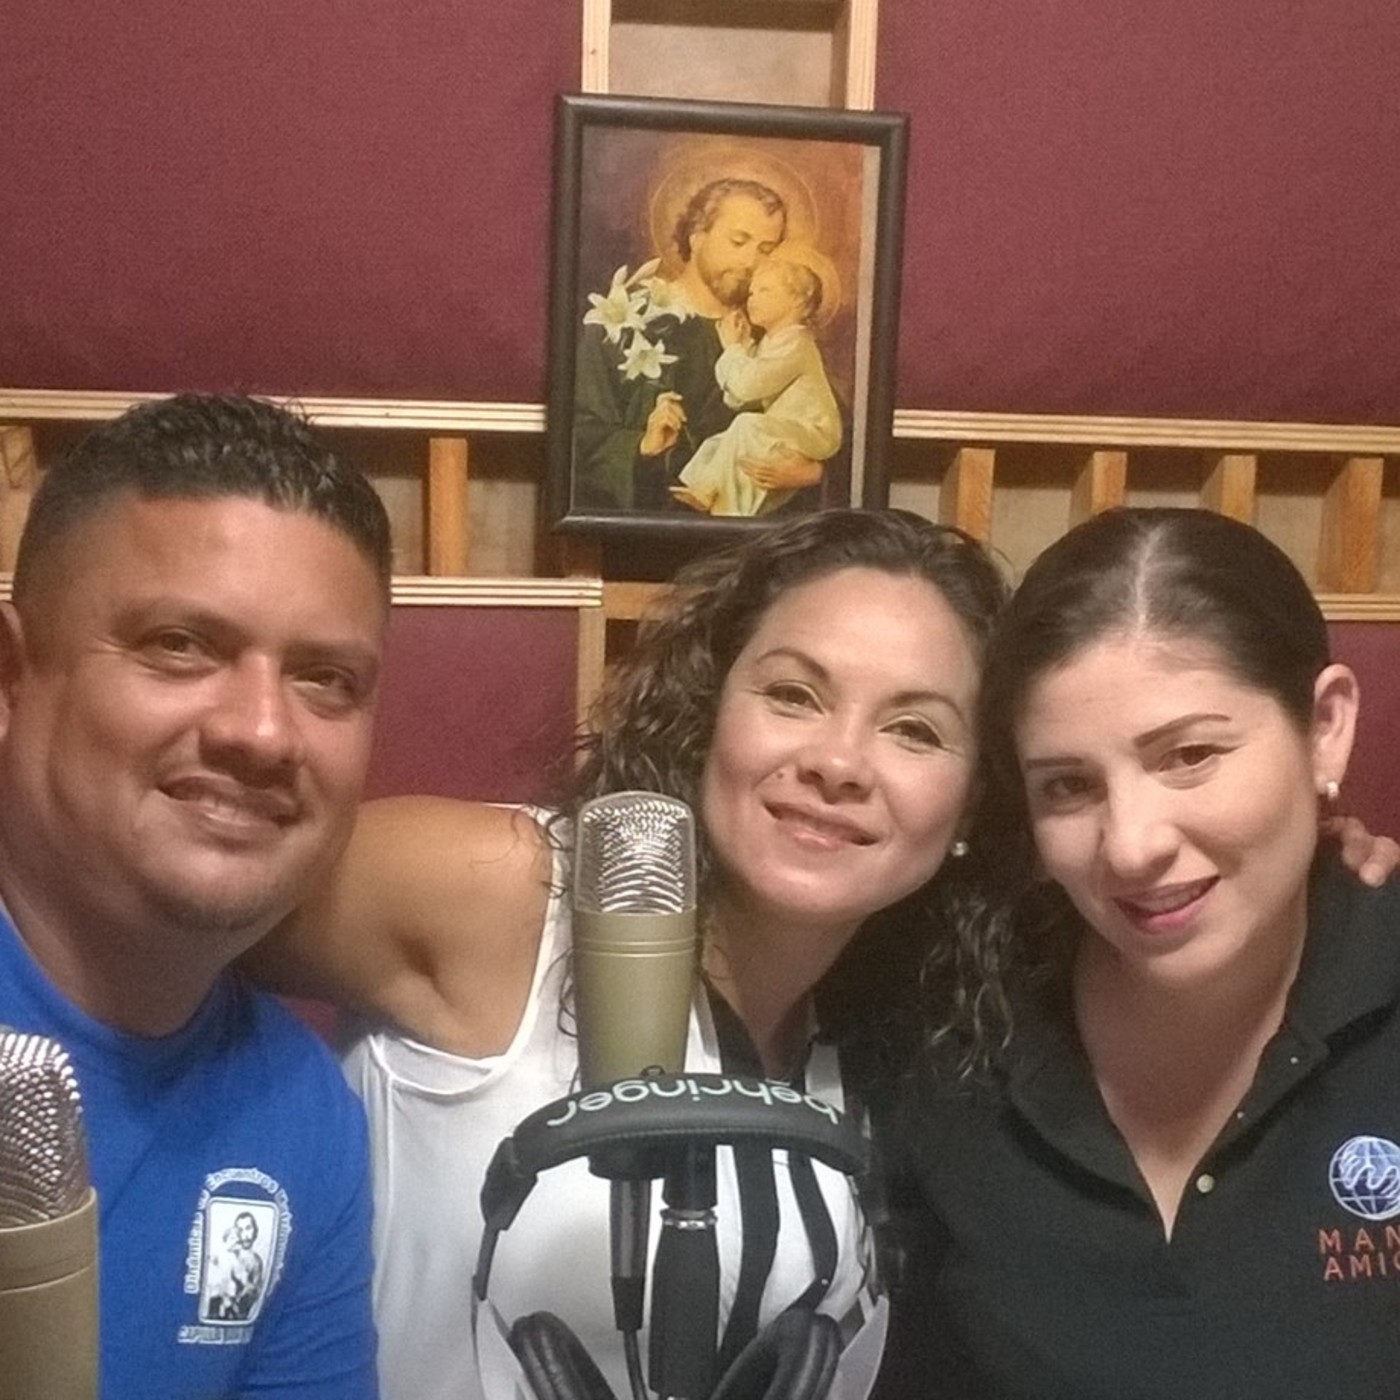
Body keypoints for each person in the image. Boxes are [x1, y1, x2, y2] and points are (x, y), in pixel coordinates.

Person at [255, 507, 1010, 1400]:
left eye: (915, 730)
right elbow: (148, 922)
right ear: (709, 714)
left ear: (971, 805)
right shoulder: (509, 894)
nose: (838, 762)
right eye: (793, 695)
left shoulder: (893, 1054)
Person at [878, 506, 1400, 1400]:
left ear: (1326, 726)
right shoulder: (954, 1024)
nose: (1130, 846)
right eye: (1069, 786)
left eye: (1189, 755)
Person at [0, 393, 386, 1397]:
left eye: (326, 679)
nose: (262, 731)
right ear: (10, 675)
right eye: (180, 643)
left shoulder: (303, 1116)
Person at [572, 177, 826, 514]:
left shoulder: (776, 330)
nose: (752, 261)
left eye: (766, 249)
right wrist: (643, 446)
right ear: (697, 237)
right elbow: (581, 437)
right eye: (739, 241)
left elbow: (824, 420)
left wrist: (811, 472)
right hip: (651, 530)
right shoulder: (626, 319)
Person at [674, 257, 843, 517]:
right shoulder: (768, 344)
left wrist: (733, 348)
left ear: (797, 301)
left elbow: (745, 387)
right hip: (781, 431)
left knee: (746, 425)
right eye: (752, 292)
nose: (752, 299)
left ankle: (717, 500)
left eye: (765, 290)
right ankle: (708, 493)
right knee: (720, 443)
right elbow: (735, 399)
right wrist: (742, 346)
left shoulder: (797, 343)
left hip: (814, 431)